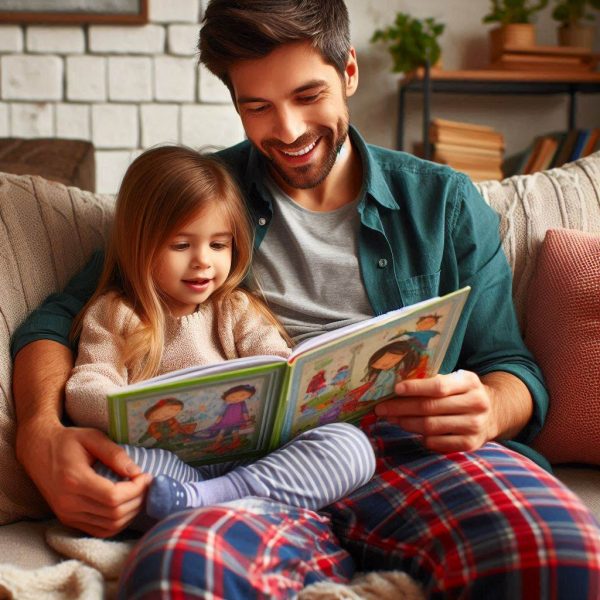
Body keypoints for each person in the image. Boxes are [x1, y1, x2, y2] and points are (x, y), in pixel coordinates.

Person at [10, 0, 600, 597]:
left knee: (560, 558)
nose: (288, 131)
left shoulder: (441, 203)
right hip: (247, 472)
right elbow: (59, 319)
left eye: (308, 95)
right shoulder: (199, 195)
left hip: (419, 454)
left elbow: (511, 366)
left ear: (348, 72)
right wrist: (39, 435)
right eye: (257, 106)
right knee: (181, 574)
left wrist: (490, 407)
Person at [63, 145, 375, 522]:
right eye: (181, 245)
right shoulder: (117, 314)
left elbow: (280, 366)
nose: (202, 261)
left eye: (218, 244)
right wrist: (129, 412)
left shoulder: (235, 310)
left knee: (352, 448)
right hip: (171, 465)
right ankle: (226, 502)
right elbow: (85, 388)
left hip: (254, 459)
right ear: (138, 244)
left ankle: (205, 500)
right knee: (105, 469)